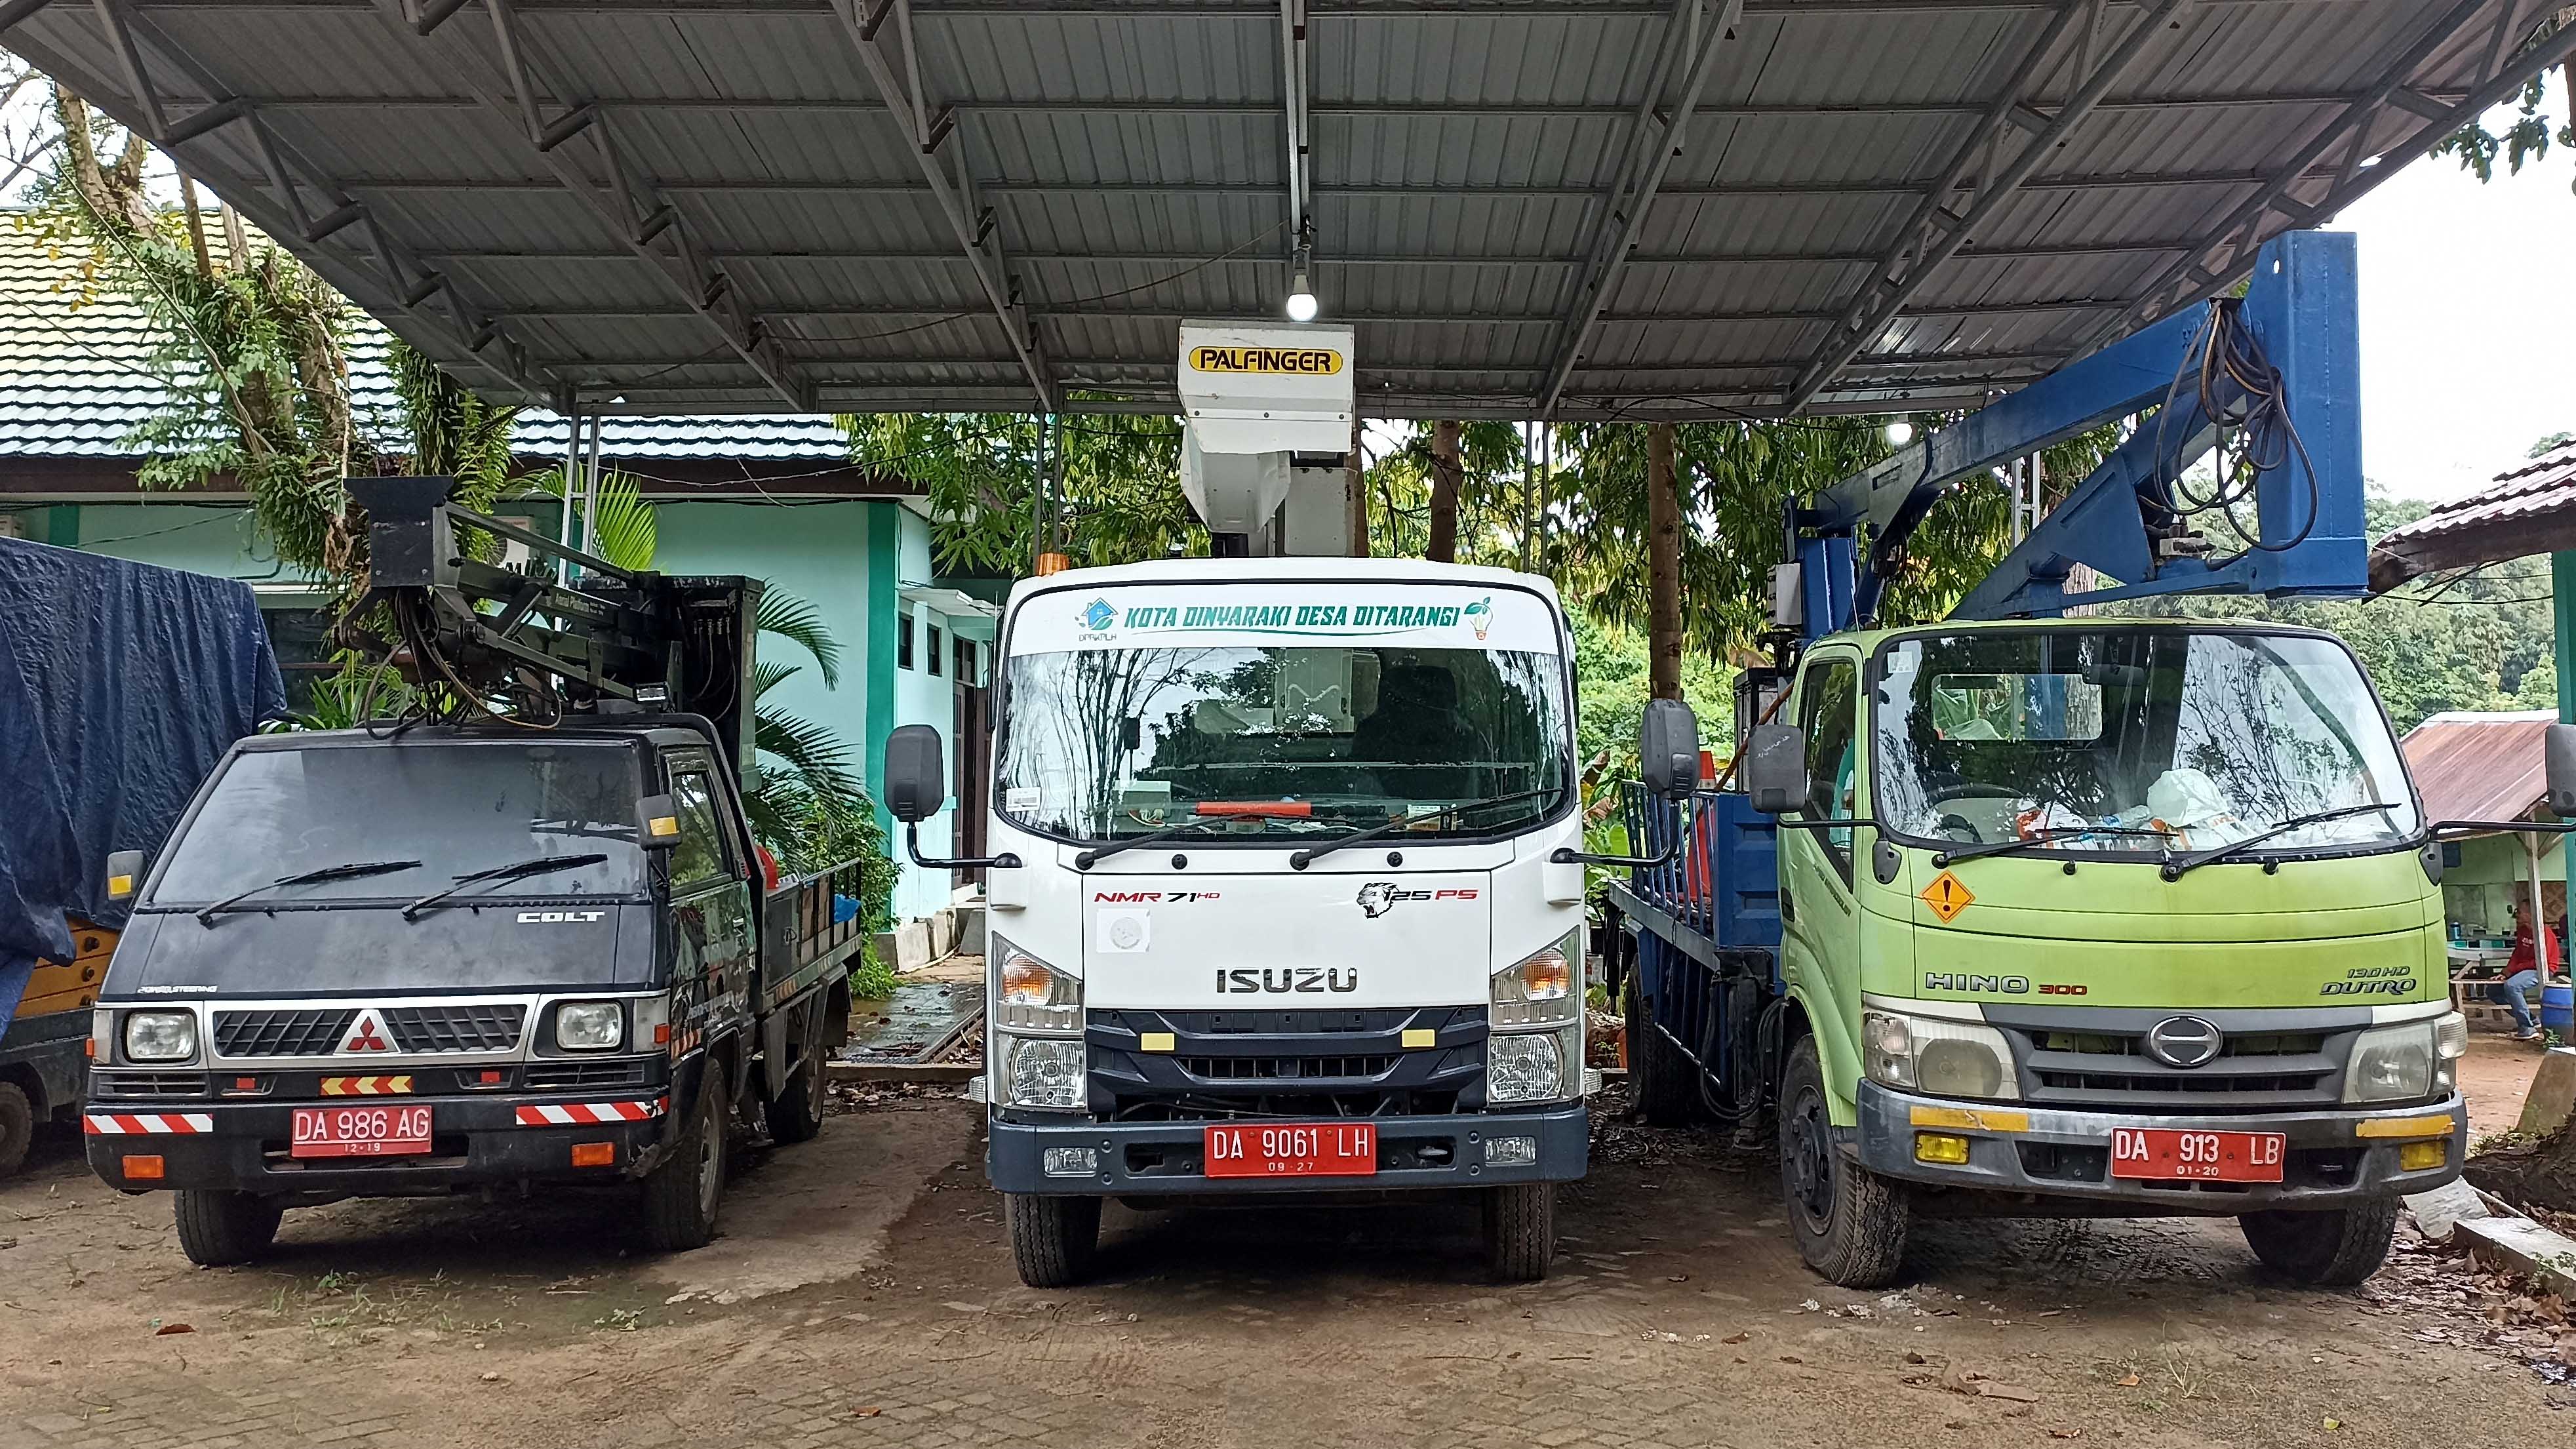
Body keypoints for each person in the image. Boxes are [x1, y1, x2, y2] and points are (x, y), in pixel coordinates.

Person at [2490, 900, 2562, 1042]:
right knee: (2493, 990)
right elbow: (2517, 954)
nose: (2517, 914)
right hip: (2525, 969)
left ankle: (2527, 1028)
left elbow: (2541, 962)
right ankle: (2532, 1019)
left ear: (2530, 914)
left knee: (2512, 986)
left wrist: (2513, 971)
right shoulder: (2523, 931)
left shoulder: (2544, 932)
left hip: (2543, 969)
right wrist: (2506, 972)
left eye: (2521, 911)